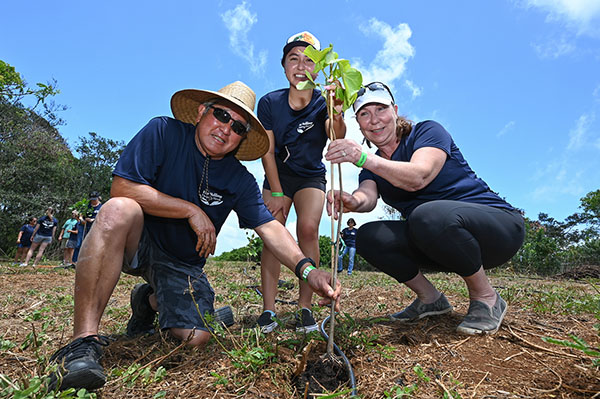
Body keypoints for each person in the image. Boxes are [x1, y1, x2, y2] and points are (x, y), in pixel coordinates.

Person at [48, 81, 342, 392]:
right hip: (139, 242)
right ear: (202, 111)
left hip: (182, 264)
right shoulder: (163, 132)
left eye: (238, 127)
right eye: (221, 115)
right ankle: (82, 343)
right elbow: (123, 188)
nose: (226, 128)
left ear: (242, 139)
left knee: (196, 338)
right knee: (118, 209)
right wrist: (190, 210)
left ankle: (149, 301)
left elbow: (270, 227)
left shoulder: (240, 180)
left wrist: (308, 270)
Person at [325, 81, 524, 336]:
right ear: (359, 123)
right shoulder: (371, 168)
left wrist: (364, 157)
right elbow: (367, 197)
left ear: (395, 111)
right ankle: (431, 300)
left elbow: (419, 175)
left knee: (426, 216)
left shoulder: (426, 132)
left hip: (498, 230)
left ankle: (487, 298)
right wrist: (352, 202)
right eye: (364, 113)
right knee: (369, 236)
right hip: (439, 239)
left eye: (381, 109)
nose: (374, 120)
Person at [256, 31, 346, 334]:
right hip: (277, 174)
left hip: (310, 175)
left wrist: (337, 109)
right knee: (274, 229)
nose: (300, 65)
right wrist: (277, 191)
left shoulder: (324, 102)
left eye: (309, 60)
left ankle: (305, 308)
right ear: (284, 66)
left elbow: (337, 135)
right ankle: (268, 310)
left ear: (318, 70)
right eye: (293, 58)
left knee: (308, 228)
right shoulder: (269, 102)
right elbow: (266, 150)